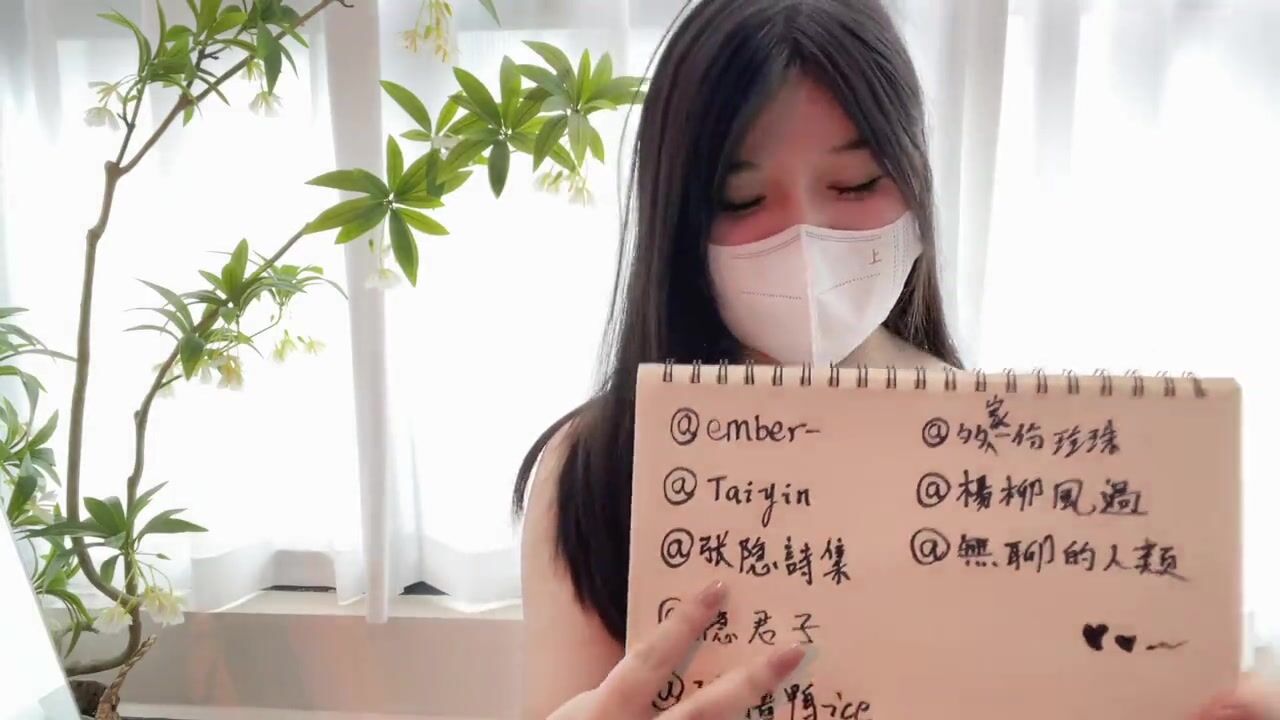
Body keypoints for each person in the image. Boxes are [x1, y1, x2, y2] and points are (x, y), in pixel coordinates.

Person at [512, 1, 1278, 718]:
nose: (806, 236)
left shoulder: (1006, 449)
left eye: (855, 184)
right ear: (678, 220)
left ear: (915, 183)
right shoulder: (597, 467)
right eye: (741, 200)